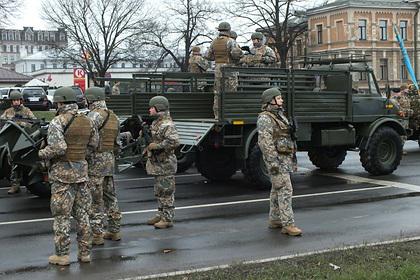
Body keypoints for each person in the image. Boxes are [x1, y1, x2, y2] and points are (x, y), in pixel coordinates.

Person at [38, 87, 98, 266]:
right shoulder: (88, 120)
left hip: (62, 177)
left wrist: (41, 153)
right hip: (82, 174)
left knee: (62, 216)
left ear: (60, 102)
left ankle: (62, 255)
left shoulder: (58, 121)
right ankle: (85, 253)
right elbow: (94, 145)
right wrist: (79, 156)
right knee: (83, 215)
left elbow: (59, 148)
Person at [257, 87, 302, 236]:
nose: (282, 100)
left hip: (284, 158)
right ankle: (288, 224)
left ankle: (275, 219)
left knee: (277, 189)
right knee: (285, 189)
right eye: (279, 98)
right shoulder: (265, 118)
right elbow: (266, 143)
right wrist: (273, 163)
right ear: (271, 101)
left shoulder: (278, 115)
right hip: (277, 160)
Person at [85, 87, 122, 245]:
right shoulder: (114, 117)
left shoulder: (92, 117)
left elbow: (88, 141)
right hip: (109, 161)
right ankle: (114, 230)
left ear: (91, 99)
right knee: (110, 197)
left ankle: (97, 234)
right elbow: (117, 143)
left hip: (95, 162)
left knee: (95, 200)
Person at [145, 96, 180, 229]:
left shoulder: (167, 124)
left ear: (158, 108)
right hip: (158, 163)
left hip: (165, 163)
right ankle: (161, 214)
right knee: (159, 190)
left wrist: (157, 146)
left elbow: (174, 142)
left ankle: (167, 218)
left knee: (166, 190)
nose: (149, 110)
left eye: (151, 107)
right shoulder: (157, 123)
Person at [1, 90, 36, 194]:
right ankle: (15, 185)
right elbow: (3, 123)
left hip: (24, 140)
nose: (16, 102)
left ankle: (31, 184)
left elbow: (33, 122)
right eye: (14, 100)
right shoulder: (8, 112)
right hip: (12, 141)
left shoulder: (27, 111)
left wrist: (21, 123)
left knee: (27, 163)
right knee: (13, 162)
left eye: (17, 100)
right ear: (11, 102)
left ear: (21, 101)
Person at [205, 22, 242, 120]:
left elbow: (208, 56)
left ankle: (217, 115)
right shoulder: (231, 41)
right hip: (229, 70)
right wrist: (241, 54)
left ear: (219, 30)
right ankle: (229, 114)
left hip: (217, 70)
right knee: (231, 92)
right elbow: (235, 54)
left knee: (218, 93)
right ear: (229, 30)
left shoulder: (214, 42)